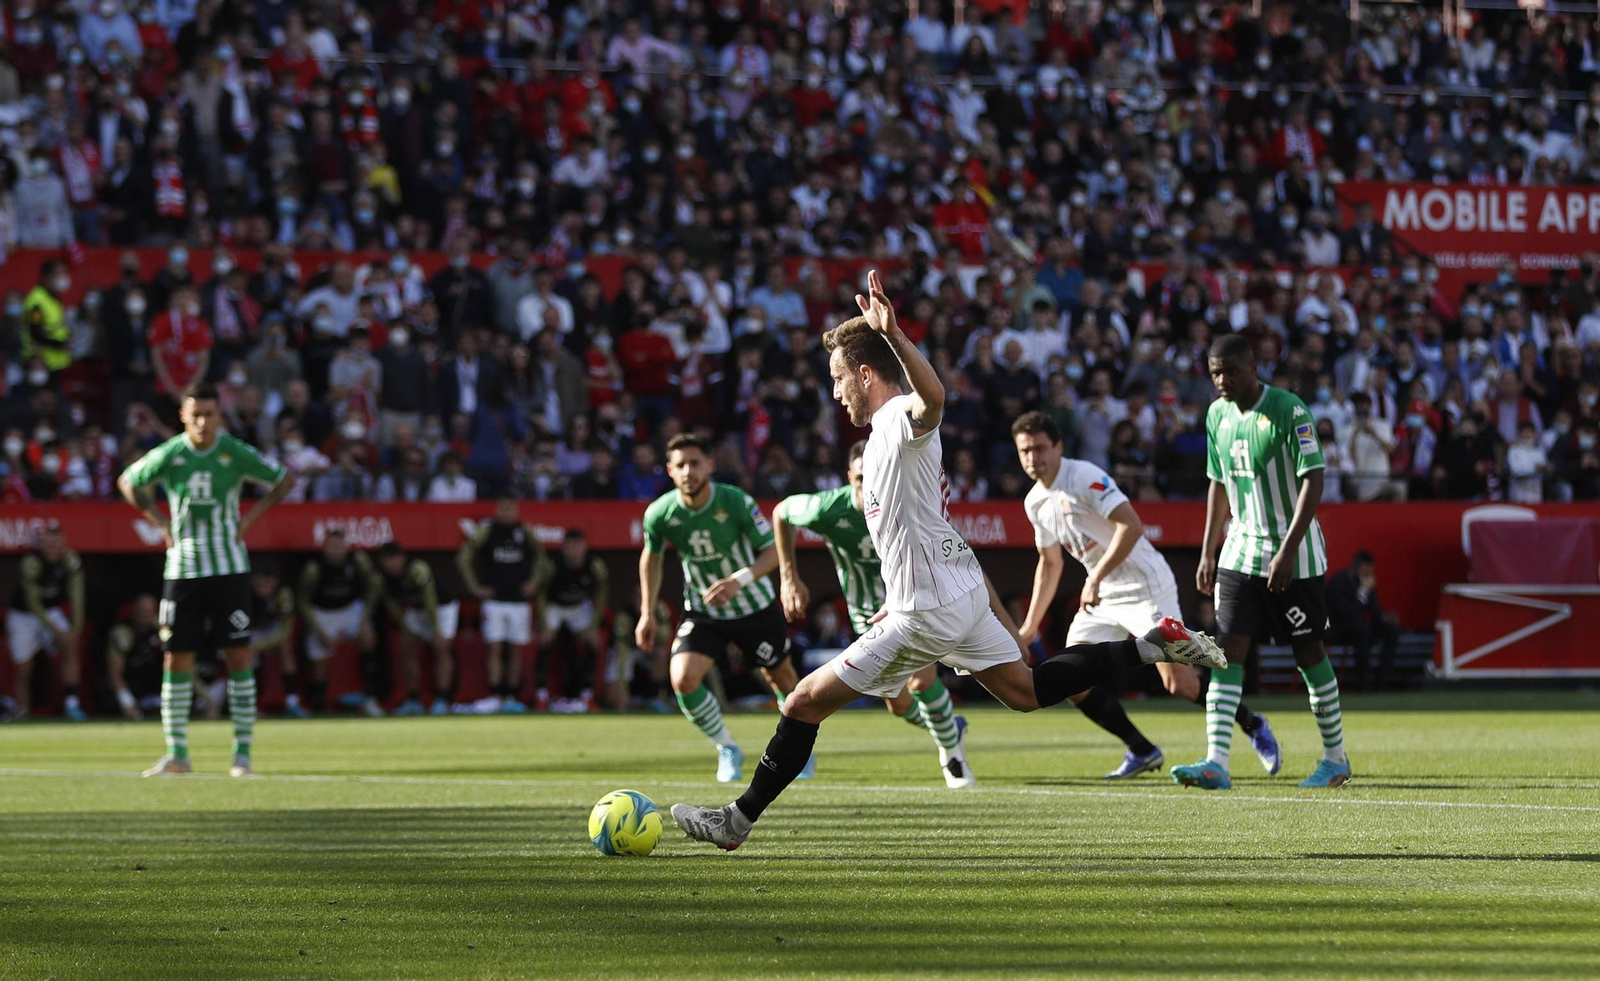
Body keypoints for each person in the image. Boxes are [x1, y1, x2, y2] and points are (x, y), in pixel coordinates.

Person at [671, 272, 1223, 850]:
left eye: (838, 378)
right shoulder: (882, 435)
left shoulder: (898, 418)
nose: (835, 393)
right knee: (1025, 691)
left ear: (865, 374)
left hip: (930, 608)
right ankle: (1149, 646)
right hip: (954, 591)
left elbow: (934, 399)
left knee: (802, 701)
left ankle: (735, 821)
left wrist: (897, 336)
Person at [1011, 411, 1281, 779]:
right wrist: (1029, 627)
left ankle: (1253, 723)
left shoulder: (1083, 475)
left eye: (1040, 448)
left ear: (1058, 446)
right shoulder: (1034, 502)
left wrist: (1095, 578)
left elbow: (1131, 526)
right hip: (1104, 594)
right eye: (1025, 451)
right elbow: (1050, 563)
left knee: (1180, 685)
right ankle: (1142, 750)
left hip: (1145, 584)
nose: (1032, 458)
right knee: (1070, 678)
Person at [1182, 334, 1352, 791]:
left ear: (1253, 368)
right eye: (1215, 372)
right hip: (1241, 549)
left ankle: (1335, 759)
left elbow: (1314, 479)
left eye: (1230, 371)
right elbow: (1218, 483)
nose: (1222, 380)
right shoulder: (1216, 415)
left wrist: (1288, 549)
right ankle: (1216, 763)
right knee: (1225, 652)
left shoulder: (1288, 410)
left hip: (1295, 555)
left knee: (1308, 653)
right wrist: (1208, 550)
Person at [118, 381, 297, 777]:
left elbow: (284, 479)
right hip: (182, 569)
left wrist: (248, 520)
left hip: (229, 568)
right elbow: (128, 481)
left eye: (210, 414)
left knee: (239, 655)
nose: (202, 422)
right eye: (195, 414)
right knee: (176, 657)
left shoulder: (234, 451)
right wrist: (159, 521)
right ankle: (177, 753)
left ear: (220, 416)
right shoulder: (171, 452)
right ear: (183, 415)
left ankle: (242, 754)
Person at [772, 439, 975, 789]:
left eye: (875, 477)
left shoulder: (911, 501)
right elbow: (781, 513)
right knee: (898, 704)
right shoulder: (827, 509)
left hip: (914, 604)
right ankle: (947, 726)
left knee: (921, 681)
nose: (869, 487)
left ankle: (952, 756)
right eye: (860, 478)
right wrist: (789, 577)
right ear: (848, 476)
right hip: (866, 615)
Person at [636, 432, 808, 784]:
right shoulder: (660, 513)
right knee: (683, 679)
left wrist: (738, 581)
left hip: (754, 606)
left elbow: (773, 550)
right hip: (705, 612)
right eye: (681, 465)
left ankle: (797, 748)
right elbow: (651, 559)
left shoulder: (735, 501)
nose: (689, 472)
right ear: (670, 470)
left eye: (695, 463)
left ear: (710, 465)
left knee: (783, 680)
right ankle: (727, 747)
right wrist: (647, 612)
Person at [458, 495, 548, 714]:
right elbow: (463, 557)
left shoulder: (525, 531)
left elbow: (542, 558)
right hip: (494, 601)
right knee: (495, 648)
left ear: (516, 510)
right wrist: (474, 587)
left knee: (517, 650)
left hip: (519, 602)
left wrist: (535, 581)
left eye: (510, 508)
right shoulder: (486, 532)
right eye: (503, 508)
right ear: (496, 509)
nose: (506, 512)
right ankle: (495, 695)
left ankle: (511, 696)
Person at [296, 528, 382, 717]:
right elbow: (303, 601)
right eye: (331, 547)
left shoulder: (359, 561)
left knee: (368, 636)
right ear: (324, 547)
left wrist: (364, 619)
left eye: (339, 546)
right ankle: (318, 707)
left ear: (346, 547)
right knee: (319, 666)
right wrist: (319, 632)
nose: (335, 551)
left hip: (351, 608)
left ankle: (370, 698)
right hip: (322, 613)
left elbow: (373, 589)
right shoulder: (314, 568)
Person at [5, 526, 87, 721]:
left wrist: (75, 628)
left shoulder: (70, 561)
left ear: (63, 545)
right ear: (41, 545)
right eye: (48, 545)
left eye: (56, 544)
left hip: (51, 610)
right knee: (24, 667)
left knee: (70, 644)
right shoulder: (32, 562)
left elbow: (77, 596)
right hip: (23, 616)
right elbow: (33, 602)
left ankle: (72, 704)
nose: (52, 549)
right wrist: (56, 630)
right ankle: (22, 709)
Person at [374, 542, 461, 716]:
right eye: (386, 560)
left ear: (402, 558)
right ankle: (413, 700)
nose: (391, 564)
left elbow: (430, 599)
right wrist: (403, 625)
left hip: (441, 608)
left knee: (441, 649)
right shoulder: (381, 578)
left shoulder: (417, 569)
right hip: (416, 610)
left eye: (394, 559)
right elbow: (391, 603)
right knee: (407, 649)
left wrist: (436, 629)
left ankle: (442, 699)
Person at [537, 528, 611, 712]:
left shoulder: (595, 566)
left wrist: (593, 626)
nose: (573, 551)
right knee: (544, 641)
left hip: (579, 606)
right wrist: (545, 625)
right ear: (563, 547)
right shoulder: (552, 565)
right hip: (555, 606)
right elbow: (541, 594)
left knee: (592, 641)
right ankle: (541, 696)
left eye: (577, 546)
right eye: (569, 546)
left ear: (584, 547)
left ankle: (586, 696)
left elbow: (602, 594)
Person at [1326, 551, 1401, 692]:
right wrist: (1363, 592)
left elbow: (1374, 612)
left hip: (1360, 629)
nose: (1367, 573)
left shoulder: (1367, 583)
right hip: (1337, 629)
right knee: (1361, 630)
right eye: (1364, 569)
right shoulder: (1339, 581)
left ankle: (1381, 682)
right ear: (1356, 567)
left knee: (1392, 631)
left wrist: (1386, 618)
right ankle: (1363, 684)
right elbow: (1345, 613)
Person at [248, 566, 303, 717]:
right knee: (246, 654)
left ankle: (292, 700)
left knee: (286, 647)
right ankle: (253, 705)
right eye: (261, 584)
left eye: (269, 584)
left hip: (272, 629)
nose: (265, 588)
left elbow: (287, 630)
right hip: (251, 630)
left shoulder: (283, 593)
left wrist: (262, 646)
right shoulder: (244, 592)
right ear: (253, 580)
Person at [104, 593, 163, 721]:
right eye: (141, 611)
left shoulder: (163, 632)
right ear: (134, 611)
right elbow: (115, 675)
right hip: (131, 691)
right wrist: (127, 703)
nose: (144, 615)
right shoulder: (122, 634)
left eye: (149, 611)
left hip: (156, 692)